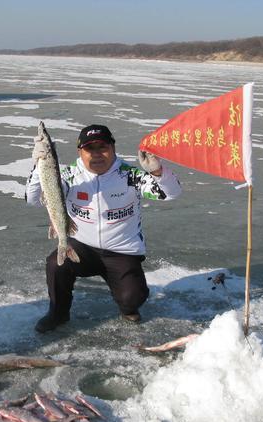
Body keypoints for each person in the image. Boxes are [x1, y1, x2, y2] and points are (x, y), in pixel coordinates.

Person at [25, 124, 182, 333]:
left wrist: (157, 171)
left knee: (132, 299)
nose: (97, 154)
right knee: (56, 265)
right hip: (81, 248)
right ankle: (58, 314)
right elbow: (33, 199)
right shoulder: (69, 176)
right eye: (90, 149)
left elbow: (171, 193)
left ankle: (128, 305)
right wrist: (39, 166)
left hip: (121, 251)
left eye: (103, 147)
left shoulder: (129, 175)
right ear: (80, 151)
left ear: (113, 148)